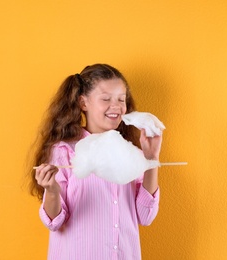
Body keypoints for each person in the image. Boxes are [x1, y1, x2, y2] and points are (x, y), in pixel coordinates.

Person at [28, 64, 162, 260]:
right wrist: (52, 190)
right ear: (83, 103)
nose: (116, 106)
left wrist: (151, 159)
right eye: (106, 99)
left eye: (121, 99)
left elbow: (145, 216)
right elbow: (54, 222)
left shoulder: (130, 153)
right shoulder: (64, 151)